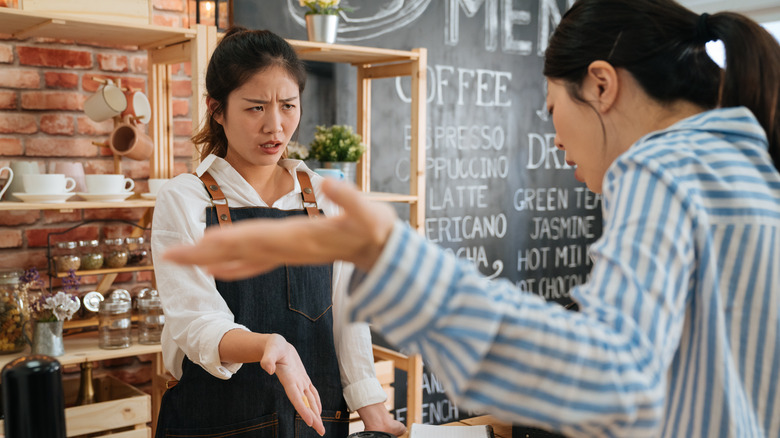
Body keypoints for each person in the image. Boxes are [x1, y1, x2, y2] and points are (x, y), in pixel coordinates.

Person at [162, 1, 780, 437]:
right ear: (219, 111)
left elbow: (607, 378)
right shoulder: (745, 168)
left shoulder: (662, 172)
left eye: (551, 108)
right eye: (254, 108)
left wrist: (403, 266)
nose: (557, 142)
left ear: (600, 86)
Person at [150, 27, 406, 438]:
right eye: (255, 108)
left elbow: (347, 315)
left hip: (315, 425)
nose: (276, 126)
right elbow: (195, 320)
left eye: (288, 105)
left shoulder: (326, 198)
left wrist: (372, 410)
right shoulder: (184, 199)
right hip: (215, 425)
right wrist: (269, 345)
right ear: (216, 109)